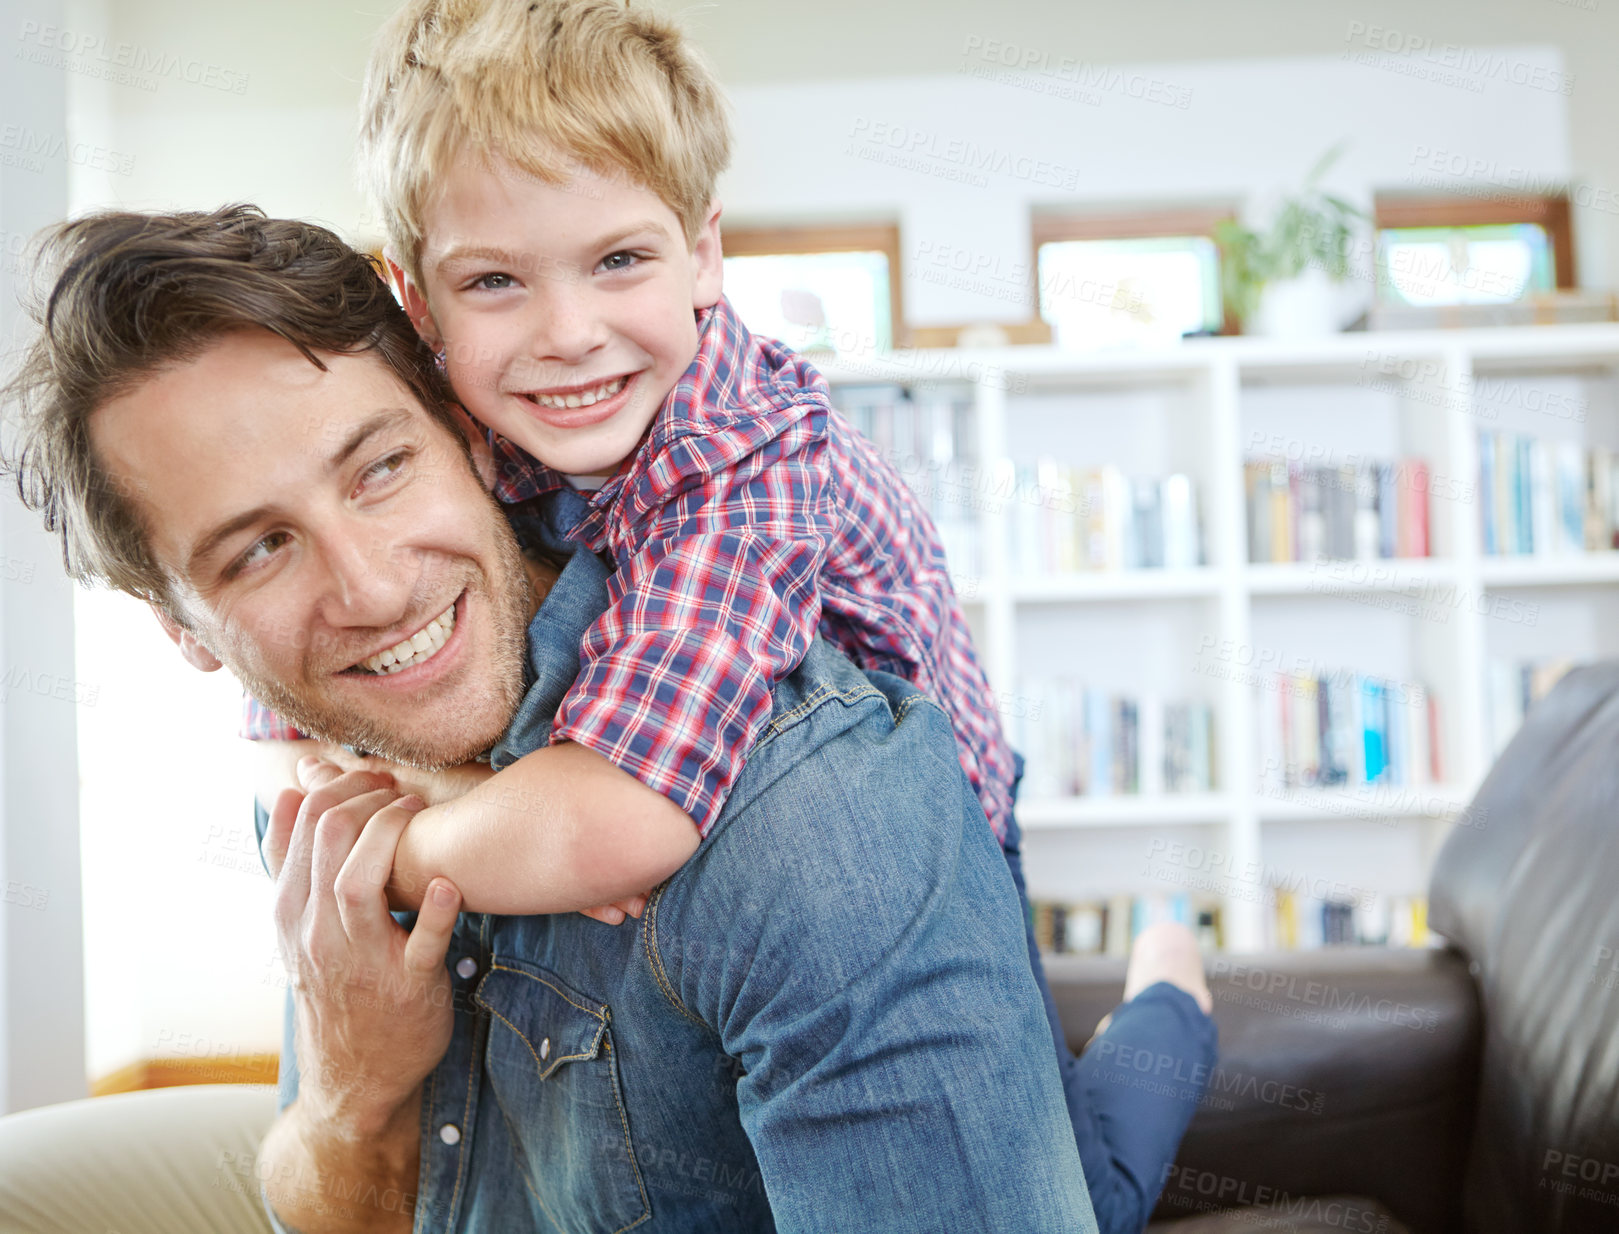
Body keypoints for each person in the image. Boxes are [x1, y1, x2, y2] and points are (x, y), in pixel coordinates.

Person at [261, 1, 1215, 1227]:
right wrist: (458, 803)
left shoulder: (746, 455)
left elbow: (622, 821)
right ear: (419, 298)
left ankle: (1169, 992)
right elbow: (297, 716)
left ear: (703, 253)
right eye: (495, 279)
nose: (567, 334)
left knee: (1086, 1190)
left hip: (933, 846)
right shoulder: (443, 427)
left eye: (619, 260)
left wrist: (388, 844)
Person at [0, 206, 1099, 1233]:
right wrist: (351, 1090)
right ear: (185, 628)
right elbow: (333, 1197)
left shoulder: (810, 813)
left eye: (381, 468)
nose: (372, 590)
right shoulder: (336, 777)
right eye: (258, 549)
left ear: (471, 436)